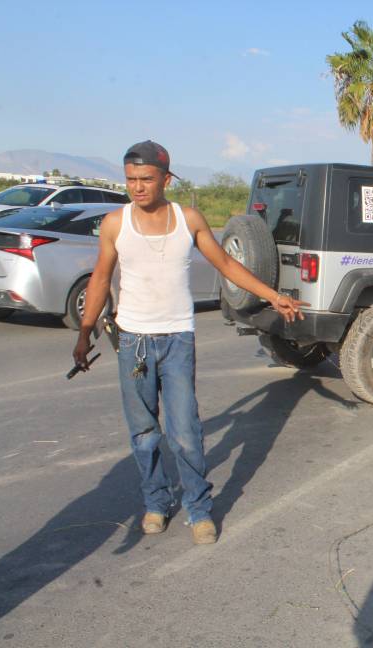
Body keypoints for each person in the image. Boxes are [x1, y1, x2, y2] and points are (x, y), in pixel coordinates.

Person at [71, 140, 306, 545]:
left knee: (184, 431)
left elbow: (228, 264)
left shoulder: (189, 219)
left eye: (146, 179)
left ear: (166, 178)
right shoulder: (115, 224)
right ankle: (156, 502)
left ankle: (198, 508)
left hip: (177, 339)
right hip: (133, 342)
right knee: (144, 432)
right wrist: (84, 332)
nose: (138, 187)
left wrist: (272, 296)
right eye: (131, 179)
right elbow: (100, 280)